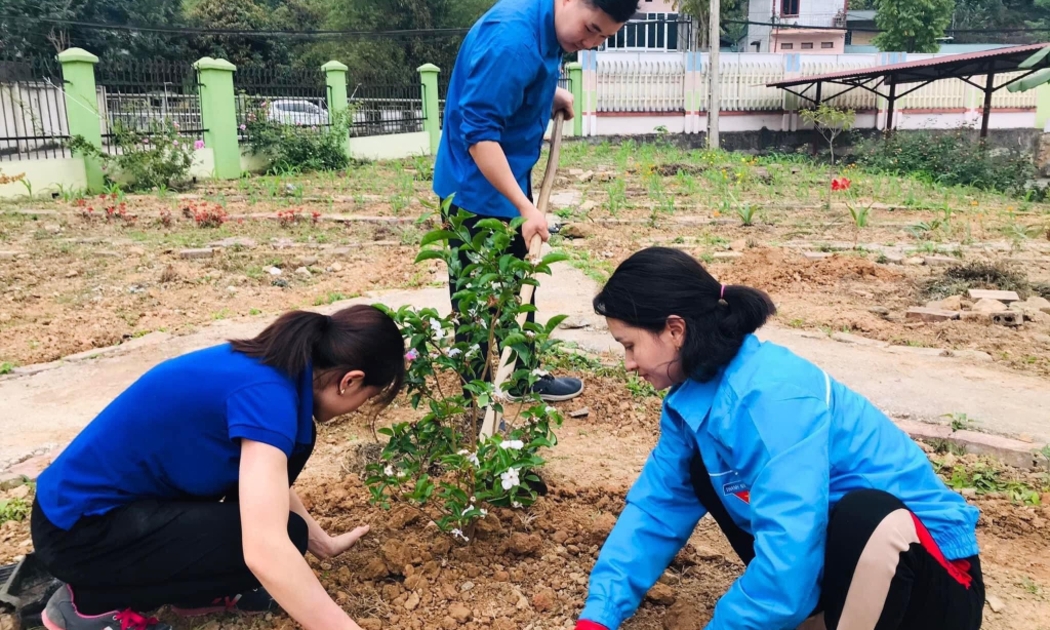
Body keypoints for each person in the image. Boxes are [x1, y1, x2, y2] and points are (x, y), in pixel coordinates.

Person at [574, 247, 984, 630]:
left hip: (934, 584)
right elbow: (656, 510)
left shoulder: (773, 397)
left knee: (867, 516)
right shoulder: (692, 402)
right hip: (844, 575)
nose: (629, 364)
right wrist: (599, 614)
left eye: (630, 345)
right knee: (700, 468)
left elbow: (791, 549)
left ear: (675, 330)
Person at [31, 305, 406, 630]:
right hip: (79, 531)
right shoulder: (268, 397)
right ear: (350, 381)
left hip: (113, 510)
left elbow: (264, 482)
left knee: (290, 531)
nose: (359, 408)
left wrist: (320, 541)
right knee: (278, 544)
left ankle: (196, 592)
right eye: (368, 398)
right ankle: (87, 604)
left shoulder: (277, 372)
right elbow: (264, 551)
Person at [434, 0, 638, 401]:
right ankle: (476, 402)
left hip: (508, 183)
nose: (591, 42)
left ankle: (520, 377)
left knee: (520, 285)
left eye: (603, 36)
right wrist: (528, 208)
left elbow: (509, 86)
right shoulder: (512, 39)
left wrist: (548, 96)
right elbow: (479, 135)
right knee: (476, 303)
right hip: (476, 193)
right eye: (591, 28)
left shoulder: (551, 28)